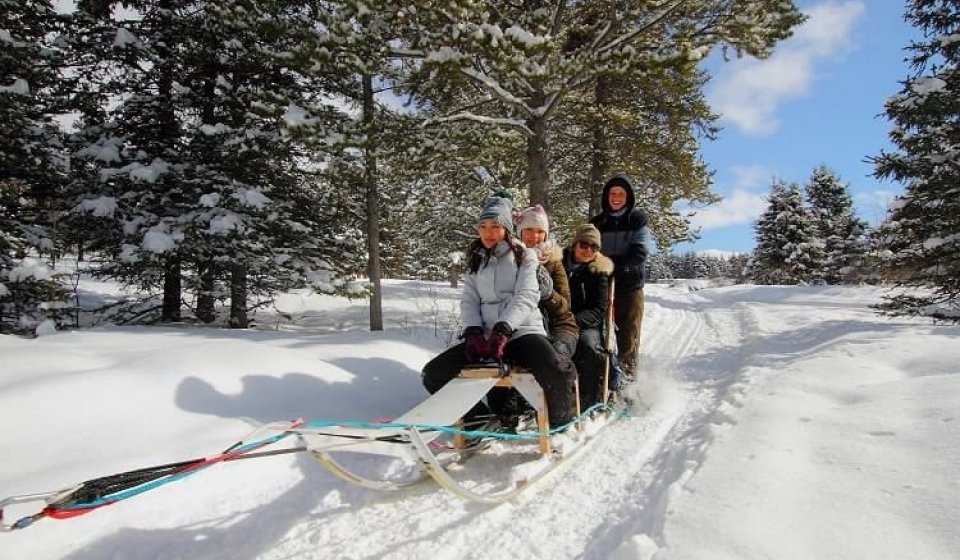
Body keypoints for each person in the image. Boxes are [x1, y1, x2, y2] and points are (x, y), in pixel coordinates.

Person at [421, 193, 576, 429]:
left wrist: (503, 328)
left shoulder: (525, 256)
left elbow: (527, 296)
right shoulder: (476, 260)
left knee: (557, 370)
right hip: (486, 338)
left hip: (523, 332)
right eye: (483, 226)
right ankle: (479, 421)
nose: (488, 232)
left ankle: (561, 424)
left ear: (506, 228)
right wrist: (473, 331)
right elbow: (469, 300)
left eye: (495, 226)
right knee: (434, 373)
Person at [589, 174, 651, 374]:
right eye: (612, 193)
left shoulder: (637, 220)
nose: (616, 197)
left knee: (628, 335)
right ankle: (603, 378)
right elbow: (589, 251)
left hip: (630, 286)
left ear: (628, 197)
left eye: (621, 194)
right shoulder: (597, 223)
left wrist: (615, 265)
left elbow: (639, 251)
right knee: (600, 334)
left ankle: (628, 380)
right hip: (602, 286)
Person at [515, 205, 579, 358]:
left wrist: (549, 294)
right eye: (529, 230)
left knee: (554, 359)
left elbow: (565, 306)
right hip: (524, 325)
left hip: (559, 325)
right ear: (520, 233)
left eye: (540, 231)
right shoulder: (511, 260)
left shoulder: (554, 261)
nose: (535, 236)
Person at [563, 224, 614, 409]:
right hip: (557, 320)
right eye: (584, 245)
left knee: (588, 346)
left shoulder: (598, 271)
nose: (588, 250)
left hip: (586, 324)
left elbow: (599, 308)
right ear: (575, 244)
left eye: (594, 247)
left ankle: (589, 398)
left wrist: (574, 322)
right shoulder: (557, 262)